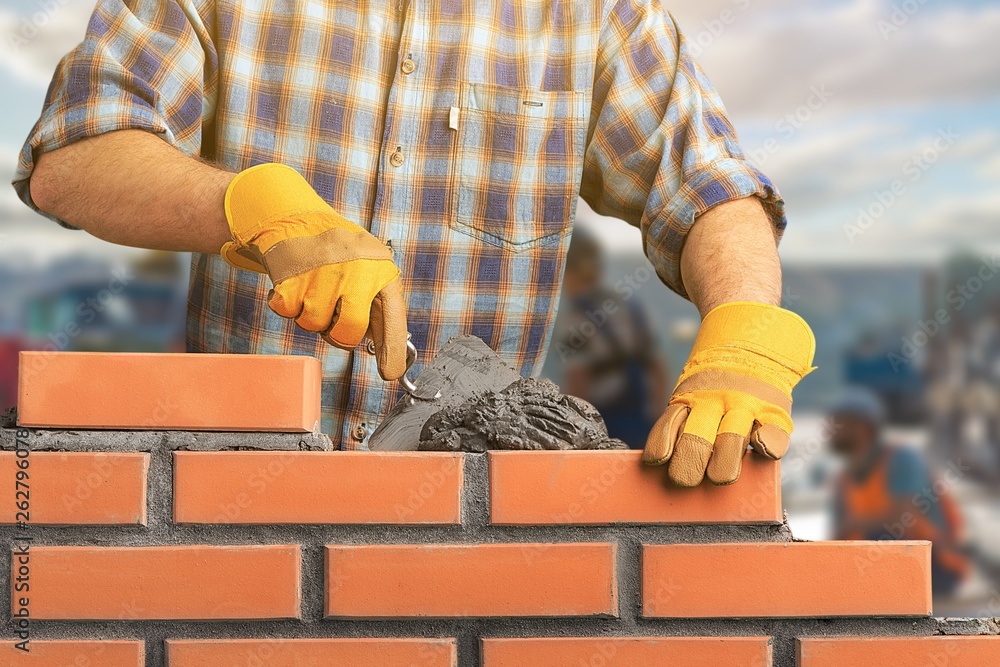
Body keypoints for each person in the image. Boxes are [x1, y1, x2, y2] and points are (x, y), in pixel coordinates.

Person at [13, 0, 815, 486]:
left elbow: (709, 186)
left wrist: (746, 330)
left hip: (463, 531)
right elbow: (72, 157)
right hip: (230, 511)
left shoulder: (593, 14)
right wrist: (248, 203)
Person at [830, 387, 970, 597]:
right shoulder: (844, 480)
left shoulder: (901, 459)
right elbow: (840, 536)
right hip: (882, 568)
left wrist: (853, 524)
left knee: (882, 535)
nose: (831, 430)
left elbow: (903, 517)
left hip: (934, 564)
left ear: (861, 427)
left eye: (838, 423)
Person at [553, 227, 669, 448]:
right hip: (643, 418)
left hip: (604, 420)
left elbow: (578, 379)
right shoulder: (631, 307)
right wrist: (658, 417)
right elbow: (658, 368)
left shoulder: (575, 317)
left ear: (566, 273)